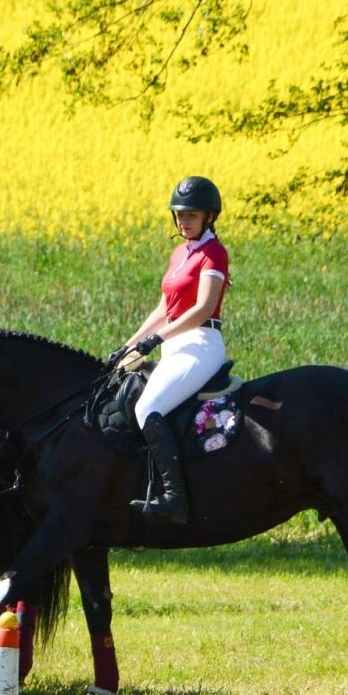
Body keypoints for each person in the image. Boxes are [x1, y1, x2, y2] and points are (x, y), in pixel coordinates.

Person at [110, 176, 229, 523]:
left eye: (191, 216)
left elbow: (203, 309)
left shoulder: (213, 252)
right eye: (178, 215)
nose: (183, 222)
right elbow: (164, 309)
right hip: (173, 344)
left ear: (209, 217)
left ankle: (175, 498)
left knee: (149, 406)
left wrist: (156, 340)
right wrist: (130, 344)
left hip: (201, 344)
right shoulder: (180, 252)